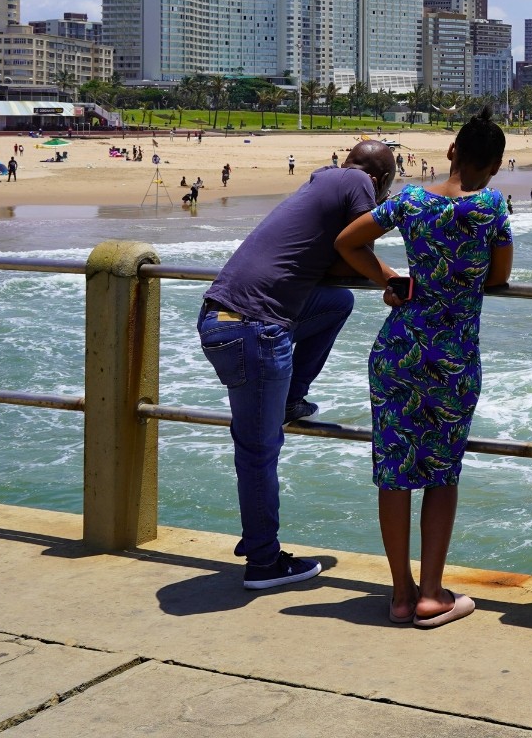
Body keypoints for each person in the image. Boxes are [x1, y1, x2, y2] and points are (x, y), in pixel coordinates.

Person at [335, 108, 512, 628]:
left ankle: (400, 594)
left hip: (397, 349)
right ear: (496, 166)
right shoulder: (490, 207)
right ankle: (432, 595)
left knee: (394, 475)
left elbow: (346, 241)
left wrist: (387, 276)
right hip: (452, 358)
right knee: (441, 474)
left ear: (452, 151)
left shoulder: (410, 200)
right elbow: (499, 275)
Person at [196, 138, 396, 591]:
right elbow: (357, 245)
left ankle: (290, 399)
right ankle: (264, 562)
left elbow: (338, 270)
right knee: (258, 453)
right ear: (380, 179)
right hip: (255, 330)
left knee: (338, 302)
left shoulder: (325, 182)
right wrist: (391, 278)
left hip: (221, 316)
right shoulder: (358, 182)